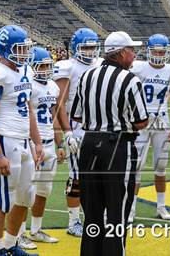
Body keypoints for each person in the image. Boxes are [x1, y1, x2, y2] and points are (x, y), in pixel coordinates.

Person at [71, 31, 148, 256]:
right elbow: (141, 121)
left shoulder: (87, 76)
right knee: (117, 211)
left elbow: (76, 115)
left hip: (89, 143)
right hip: (117, 146)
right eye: (131, 50)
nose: (134, 54)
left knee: (92, 212)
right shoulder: (130, 79)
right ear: (121, 53)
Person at [0, 25, 42, 256]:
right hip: (6, 140)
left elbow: (29, 109)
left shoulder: (26, 71)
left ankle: (11, 245)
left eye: (26, 47)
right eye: (20, 48)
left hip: (24, 141)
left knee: (26, 197)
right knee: (2, 199)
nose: (25, 52)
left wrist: (38, 142)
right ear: (5, 48)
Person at [53, 27, 104, 237]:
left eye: (93, 47)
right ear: (75, 48)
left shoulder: (101, 64)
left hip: (99, 127)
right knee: (77, 176)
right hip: (77, 127)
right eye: (86, 47)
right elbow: (60, 103)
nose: (90, 52)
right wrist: (67, 133)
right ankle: (73, 220)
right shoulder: (67, 67)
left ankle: (96, 216)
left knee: (100, 175)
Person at [128, 34, 170, 223]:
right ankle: (131, 209)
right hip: (141, 121)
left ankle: (161, 206)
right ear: (149, 51)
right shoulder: (139, 68)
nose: (158, 55)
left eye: (161, 51)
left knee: (161, 167)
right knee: (136, 167)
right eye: (155, 51)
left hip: (162, 122)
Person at [17, 47, 63, 250]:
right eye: (41, 65)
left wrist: (60, 143)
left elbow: (53, 116)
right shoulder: (27, 86)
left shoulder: (53, 86)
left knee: (44, 191)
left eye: (48, 65)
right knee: (26, 192)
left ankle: (36, 230)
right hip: (31, 143)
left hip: (49, 145)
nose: (45, 69)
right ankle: (19, 234)